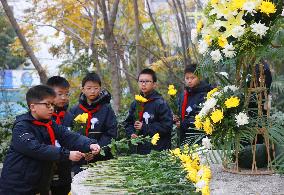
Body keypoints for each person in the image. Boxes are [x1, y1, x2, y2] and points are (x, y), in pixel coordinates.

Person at [0, 85, 100, 195]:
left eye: (52, 104)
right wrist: (67, 155)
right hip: (17, 187)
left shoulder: (49, 123)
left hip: (39, 184)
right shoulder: (21, 127)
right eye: (47, 104)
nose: (51, 108)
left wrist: (90, 144)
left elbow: (68, 136)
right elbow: (37, 149)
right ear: (33, 107)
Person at [70, 72, 117, 175]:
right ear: (83, 89)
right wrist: (82, 152)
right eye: (89, 88)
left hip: (102, 159)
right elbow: (70, 134)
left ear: (100, 88)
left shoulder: (107, 109)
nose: (92, 91)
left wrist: (97, 149)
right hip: (79, 159)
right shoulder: (74, 110)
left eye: (96, 88)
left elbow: (111, 133)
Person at [124, 68, 173, 154]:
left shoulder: (160, 103)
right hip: (138, 151)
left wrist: (144, 127)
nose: (143, 84)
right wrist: (131, 133)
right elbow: (128, 123)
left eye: (147, 81)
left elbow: (167, 127)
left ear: (154, 84)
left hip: (157, 152)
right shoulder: (135, 103)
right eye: (141, 81)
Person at [47, 76, 73, 195]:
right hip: (46, 167)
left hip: (65, 167)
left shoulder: (69, 116)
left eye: (66, 94)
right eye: (60, 94)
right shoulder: (43, 115)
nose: (64, 97)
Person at [175, 64, 212, 145]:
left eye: (192, 78)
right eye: (187, 78)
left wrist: (184, 124)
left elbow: (203, 118)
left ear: (199, 77)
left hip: (200, 139)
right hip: (184, 138)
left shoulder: (206, 94)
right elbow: (182, 114)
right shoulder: (184, 95)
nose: (189, 81)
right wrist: (177, 118)